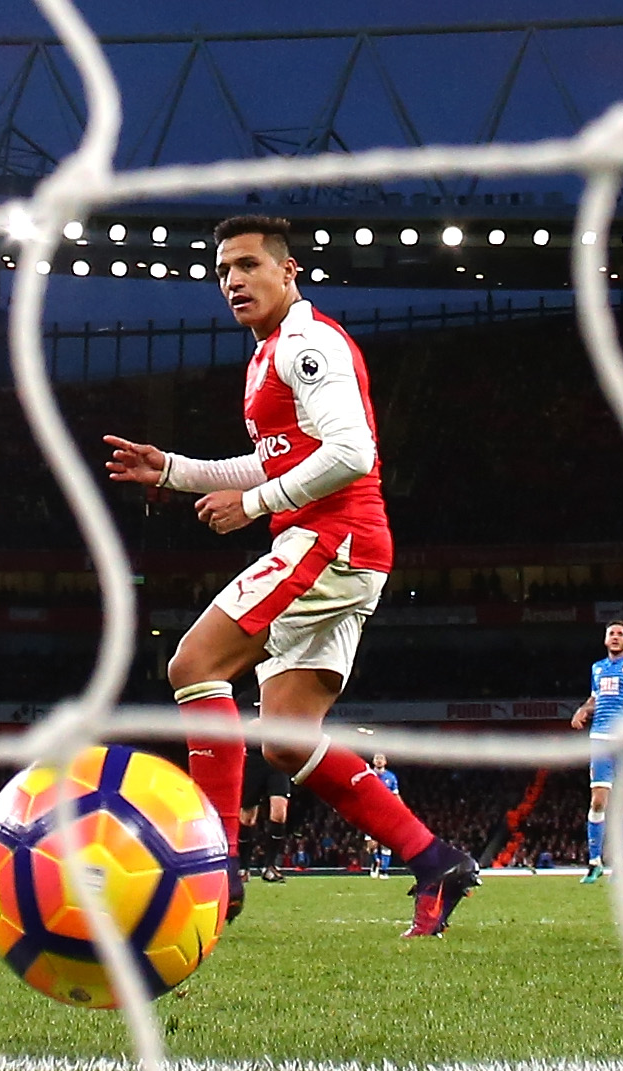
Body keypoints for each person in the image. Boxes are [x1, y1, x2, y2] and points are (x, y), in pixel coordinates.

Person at [104, 214, 478, 937]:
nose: (233, 281)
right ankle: (435, 860)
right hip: (341, 546)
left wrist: (254, 506)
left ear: (288, 271)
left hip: (331, 539)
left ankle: (214, 865)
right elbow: (275, 460)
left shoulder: (308, 344)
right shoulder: (268, 353)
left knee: (194, 665)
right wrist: (174, 470)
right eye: (223, 271)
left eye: (248, 265)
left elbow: (352, 452)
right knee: (285, 741)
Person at [570, 621, 623, 884]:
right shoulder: (598, 668)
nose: (615, 637)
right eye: (611, 634)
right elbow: (595, 698)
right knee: (598, 801)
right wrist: (583, 710)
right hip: (601, 739)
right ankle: (595, 862)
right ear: (606, 640)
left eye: (620, 634)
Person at [238, 747, 291, 883]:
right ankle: (243, 867)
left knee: (279, 813)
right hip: (253, 758)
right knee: (247, 818)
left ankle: (270, 866)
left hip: (278, 758)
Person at [365, 753, 399, 878]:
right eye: (377, 759)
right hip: (371, 813)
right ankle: (376, 862)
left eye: (381, 759)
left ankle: (384, 870)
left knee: (386, 843)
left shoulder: (391, 777)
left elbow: (395, 795)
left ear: (385, 762)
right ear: (373, 761)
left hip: (386, 813)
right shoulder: (368, 775)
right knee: (371, 845)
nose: (379, 761)